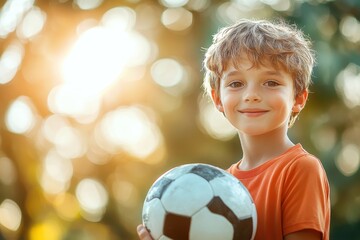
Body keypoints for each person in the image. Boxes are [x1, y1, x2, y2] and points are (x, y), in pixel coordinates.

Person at [137, 18, 330, 240]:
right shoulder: (219, 185)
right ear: (218, 98)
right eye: (236, 84)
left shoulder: (301, 169)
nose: (251, 95)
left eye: (271, 83)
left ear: (298, 98)